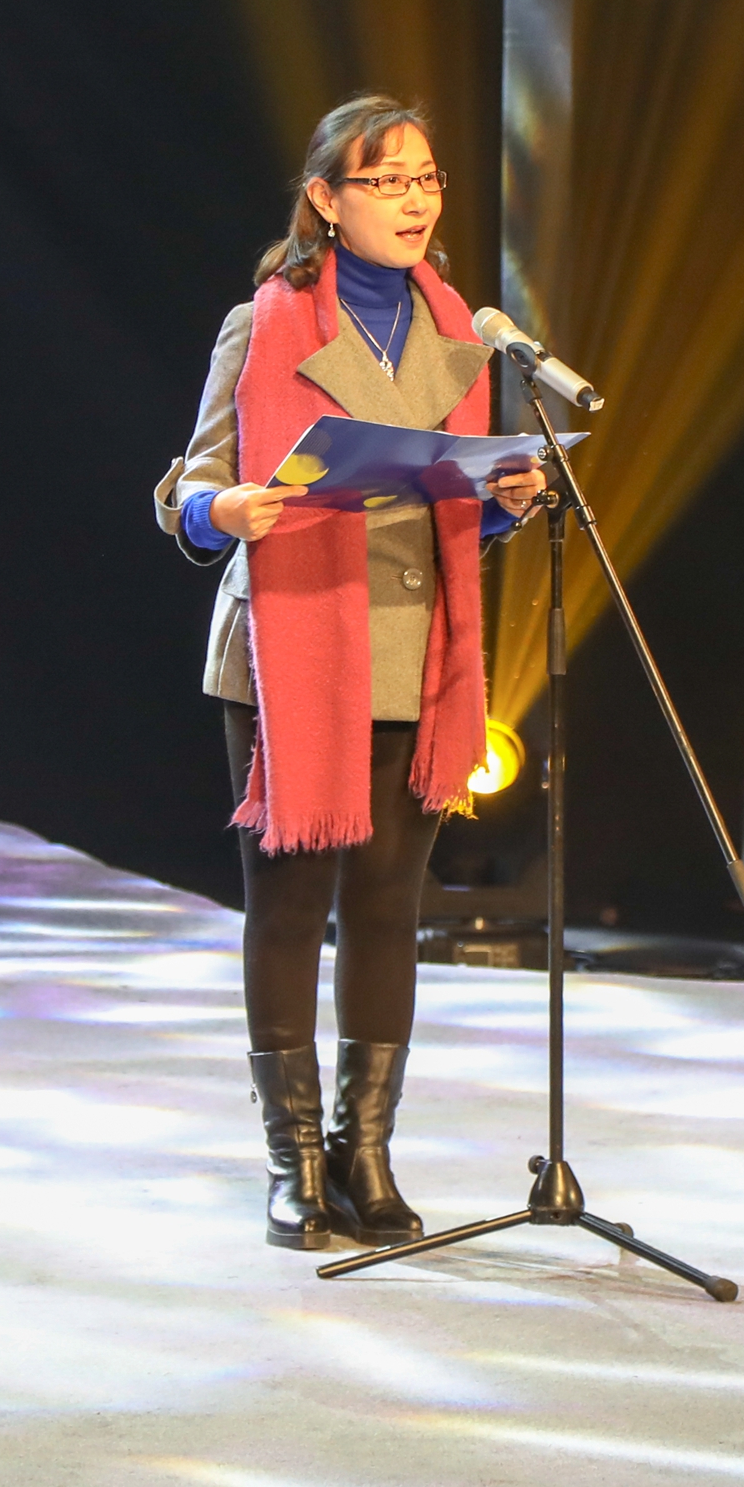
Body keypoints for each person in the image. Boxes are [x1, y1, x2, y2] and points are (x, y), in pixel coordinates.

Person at [154, 96, 549, 1250]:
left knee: (386, 906)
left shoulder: (459, 333)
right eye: (387, 180)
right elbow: (188, 485)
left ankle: (362, 1152)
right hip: (288, 646)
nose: (414, 200)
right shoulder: (263, 322)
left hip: (414, 646)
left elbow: (449, 507)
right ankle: (292, 1163)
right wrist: (221, 510)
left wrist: (503, 500)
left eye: (426, 178)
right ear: (326, 200)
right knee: (290, 905)